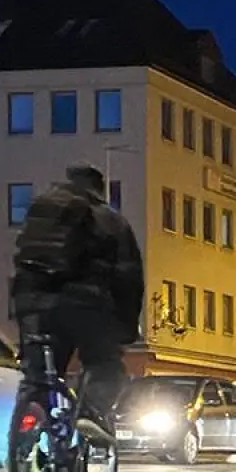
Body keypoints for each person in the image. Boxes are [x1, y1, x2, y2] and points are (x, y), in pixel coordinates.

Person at [11, 162, 143, 445]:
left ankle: (28, 423)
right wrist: (127, 329)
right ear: (99, 189)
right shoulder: (111, 220)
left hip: (30, 301)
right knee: (106, 366)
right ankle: (92, 414)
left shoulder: (42, 214)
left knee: (39, 374)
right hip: (84, 304)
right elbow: (128, 278)